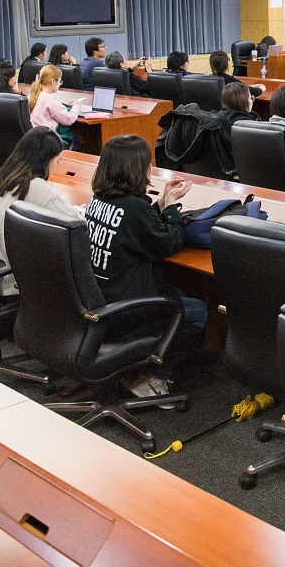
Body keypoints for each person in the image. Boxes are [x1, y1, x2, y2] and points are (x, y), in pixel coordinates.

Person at [84, 134, 205, 399]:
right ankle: (149, 379)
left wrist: (162, 200)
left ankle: (132, 369)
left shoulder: (98, 200)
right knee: (198, 310)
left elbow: (138, 227)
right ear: (137, 169)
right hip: (126, 314)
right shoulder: (134, 209)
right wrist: (171, 208)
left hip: (99, 303)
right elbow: (169, 243)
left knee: (178, 295)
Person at [0, 127, 84, 262]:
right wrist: (81, 211)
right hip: (13, 267)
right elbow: (77, 223)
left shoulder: (1, 179)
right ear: (47, 160)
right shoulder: (34, 185)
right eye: (57, 161)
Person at [27, 64, 81, 143]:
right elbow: (68, 119)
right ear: (53, 82)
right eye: (59, 81)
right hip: (48, 141)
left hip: (34, 140)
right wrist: (76, 105)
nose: (59, 84)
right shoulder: (50, 99)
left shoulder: (32, 95)